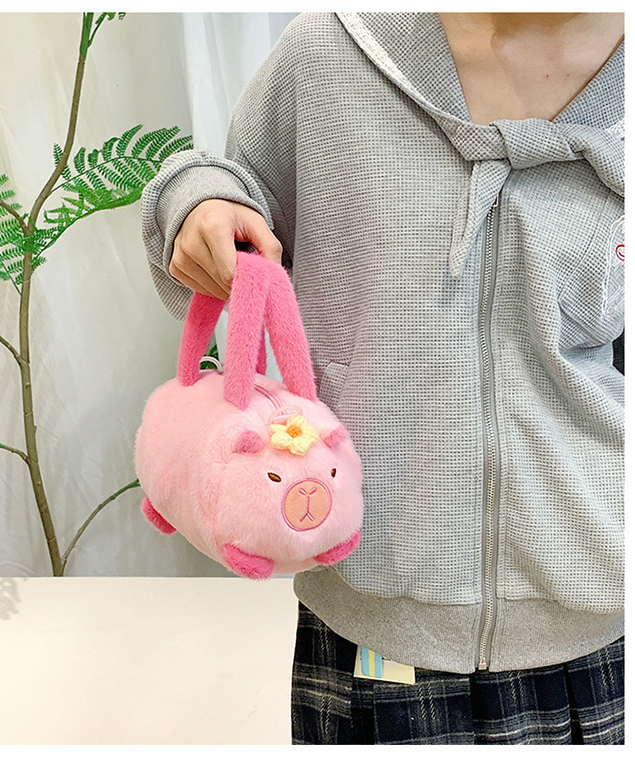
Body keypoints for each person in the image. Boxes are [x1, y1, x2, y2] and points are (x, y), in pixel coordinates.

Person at [140, 12, 624, 744]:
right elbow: (233, 188)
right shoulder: (332, 52)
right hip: (374, 634)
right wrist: (197, 202)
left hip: (598, 626)